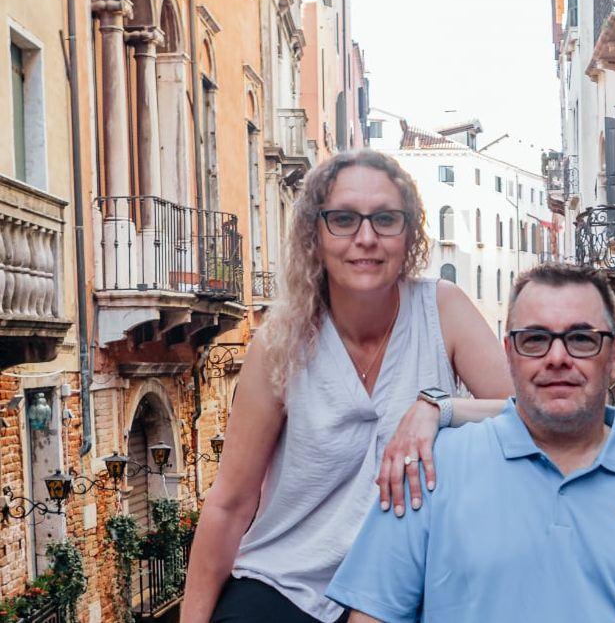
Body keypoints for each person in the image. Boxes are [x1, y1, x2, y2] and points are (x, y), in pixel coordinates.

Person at [182, 150, 512, 623]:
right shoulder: (281, 340)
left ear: (410, 233)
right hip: (287, 583)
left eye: (385, 219)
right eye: (343, 220)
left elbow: (526, 418)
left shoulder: (442, 309)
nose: (366, 239)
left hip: (412, 583)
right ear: (315, 235)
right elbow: (231, 502)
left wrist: (440, 409)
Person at [327, 262, 615, 622]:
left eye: (582, 339)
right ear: (509, 352)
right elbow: (372, 615)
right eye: (535, 339)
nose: (557, 357)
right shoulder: (431, 471)